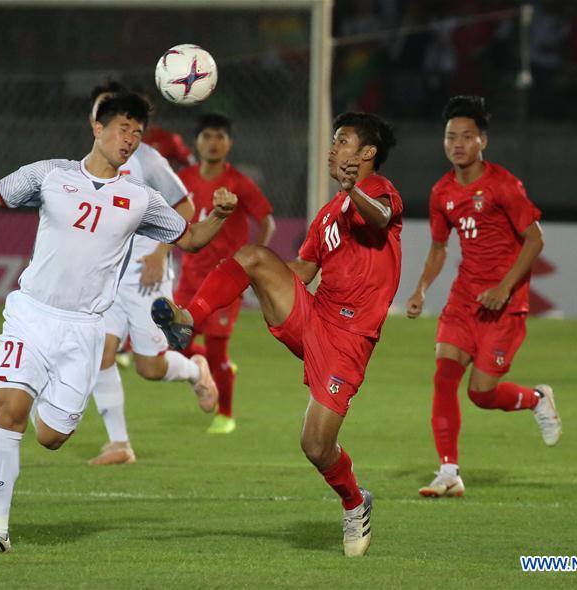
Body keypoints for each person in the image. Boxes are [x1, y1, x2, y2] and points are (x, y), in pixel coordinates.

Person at [0, 92, 237, 555]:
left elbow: (191, 238)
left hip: (85, 329)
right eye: (122, 129)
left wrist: (221, 215)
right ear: (97, 128)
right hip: (31, 313)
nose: (130, 140)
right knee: (9, 409)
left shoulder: (140, 199)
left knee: (50, 437)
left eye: (137, 132)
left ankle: (45, 395)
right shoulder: (49, 175)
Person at [151, 112, 402, 557]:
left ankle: (354, 501)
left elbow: (381, 219)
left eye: (342, 141)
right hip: (316, 317)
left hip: (349, 339)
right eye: (334, 141)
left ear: (367, 153)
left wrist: (351, 189)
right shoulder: (327, 215)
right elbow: (304, 270)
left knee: (315, 445)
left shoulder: (379, 192)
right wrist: (255, 278)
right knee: (251, 256)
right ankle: (189, 319)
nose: (332, 149)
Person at [404, 95, 562, 499]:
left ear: (482, 142)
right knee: (443, 378)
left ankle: (536, 398)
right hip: (464, 299)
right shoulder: (442, 192)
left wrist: (505, 287)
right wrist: (421, 288)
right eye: (450, 136)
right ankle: (448, 472)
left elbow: (535, 239)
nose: (457, 143)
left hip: (506, 304)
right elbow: (439, 248)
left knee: (481, 393)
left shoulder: (503, 185)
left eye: (466, 137)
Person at [84, 82, 219, 466]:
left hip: (147, 277)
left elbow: (187, 208)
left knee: (149, 367)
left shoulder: (148, 160)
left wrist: (161, 250)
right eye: (103, 116)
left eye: (131, 126)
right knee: (101, 353)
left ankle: (195, 370)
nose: (121, 132)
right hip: (108, 277)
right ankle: (119, 444)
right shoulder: (87, 165)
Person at [175, 113, 276, 434]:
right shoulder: (184, 179)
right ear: (197, 141)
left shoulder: (238, 183)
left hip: (222, 280)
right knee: (175, 341)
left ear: (229, 143)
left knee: (218, 347)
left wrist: (249, 265)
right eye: (207, 136)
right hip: (189, 277)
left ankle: (226, 415)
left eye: (220, 136)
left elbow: (267, 222)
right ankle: (220, 371)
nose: (213, 143)